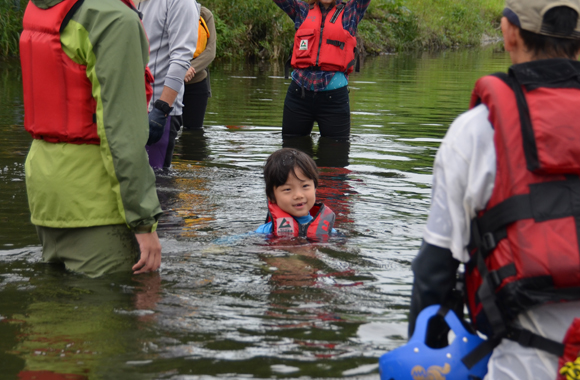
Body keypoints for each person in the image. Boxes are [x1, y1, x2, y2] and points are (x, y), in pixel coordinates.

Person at [409, 1, 580, 379]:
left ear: (508, 32)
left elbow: (434, 274)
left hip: (522, 365)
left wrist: (422, 354)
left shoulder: (475, 131)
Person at [19, 0, 163, 277]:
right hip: (95, 197)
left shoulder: (43, 6)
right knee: (102, 314)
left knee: (49, 313)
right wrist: (144, 223)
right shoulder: (115, 19)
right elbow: (122, 135)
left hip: (44, 189)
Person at [273, 0, 371, 139]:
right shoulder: (302, 9)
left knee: (335, 156)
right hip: (298, 96)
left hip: (334, 100)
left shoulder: (350, 11)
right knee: (292, 155)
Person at [137, 0, 199, 168]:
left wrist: (161, 109)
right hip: (126, 107)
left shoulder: (181, 2)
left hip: (158, 110)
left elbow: (182, 57)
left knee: (156, 184)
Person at [256, 148, 336, 240]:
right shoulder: (265, 232)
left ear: (315, 188)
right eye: (287, 189)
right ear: (271, 196)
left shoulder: (329, 231)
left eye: (305, 186)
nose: (298, 195)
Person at [182, 5, 217, 131]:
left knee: (194, 133)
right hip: (167, 82)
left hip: (196, 82)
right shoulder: (165, 11)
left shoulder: (205, 14)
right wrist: (178, 71)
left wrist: (187, 69)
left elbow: (210, 52)